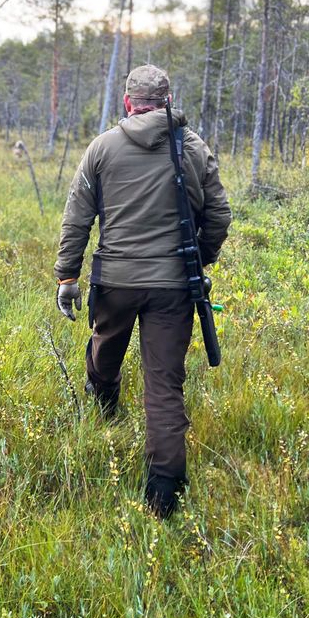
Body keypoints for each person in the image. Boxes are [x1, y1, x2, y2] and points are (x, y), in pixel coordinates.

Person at [54, 64, 232, 519]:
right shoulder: (192, 148)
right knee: (164, 385)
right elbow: (219, 217)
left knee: (104, 351)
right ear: (168, 101)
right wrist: (198, 260)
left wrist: (67, 278)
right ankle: (164, 493)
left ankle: (102, 411)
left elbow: (77, 218)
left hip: (115, 281)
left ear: (129, 103)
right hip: (174, 287)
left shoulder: (102, 148)